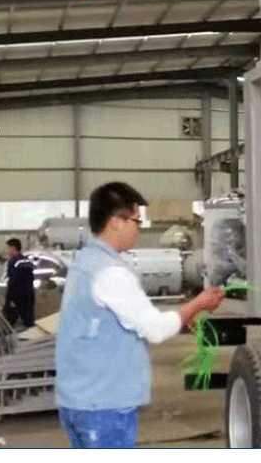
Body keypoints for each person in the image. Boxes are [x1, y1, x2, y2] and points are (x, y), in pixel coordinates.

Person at [55, 182, 226, 448]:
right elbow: (155, 329)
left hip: (80, 401)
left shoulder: (85, 262)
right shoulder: (110, 272)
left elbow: (118, 321)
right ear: (116, 222)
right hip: (104, 407)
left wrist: (181, 320)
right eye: (137, 221)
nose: (139, 228)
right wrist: (198, 304)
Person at [3, 238, 36, 329]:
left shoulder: (13, 262)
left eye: (8, 248)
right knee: (29, 321)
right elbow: (31, 278)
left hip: (17, 297)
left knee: (7, 321)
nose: (7, 251)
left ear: (13, 248)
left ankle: (3, 335)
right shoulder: (27, 261)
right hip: (29, 295)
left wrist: (8, 299)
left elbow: (12, 281)